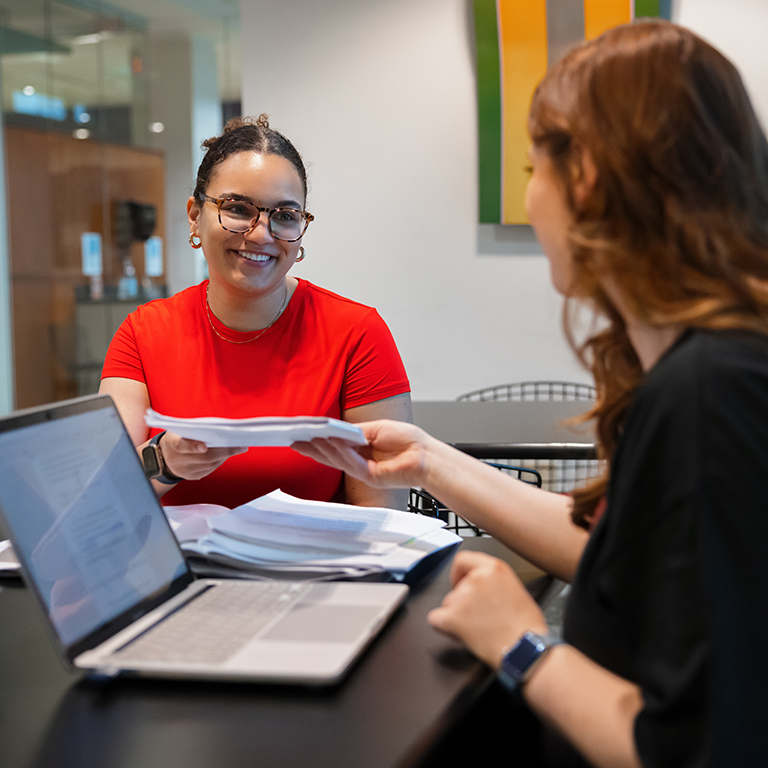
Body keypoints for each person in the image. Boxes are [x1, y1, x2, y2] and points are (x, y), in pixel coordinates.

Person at [293, 20, 768, 767]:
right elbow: (614, 551)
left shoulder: (709, 394)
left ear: (587, 181)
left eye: (532, 169)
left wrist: (521, 644)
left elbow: (692, 749)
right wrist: (430, 462)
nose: (531, 196)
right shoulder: (711, 369)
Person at [100, 115, 412, 510]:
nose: (261, 233)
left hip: (313, 569)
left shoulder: (357, 333)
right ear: (195, 215)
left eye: (284, 215)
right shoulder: (143, 333)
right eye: (237, 208)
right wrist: (164, 461)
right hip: (179, 569)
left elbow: (381, 517)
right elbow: (104, 496)